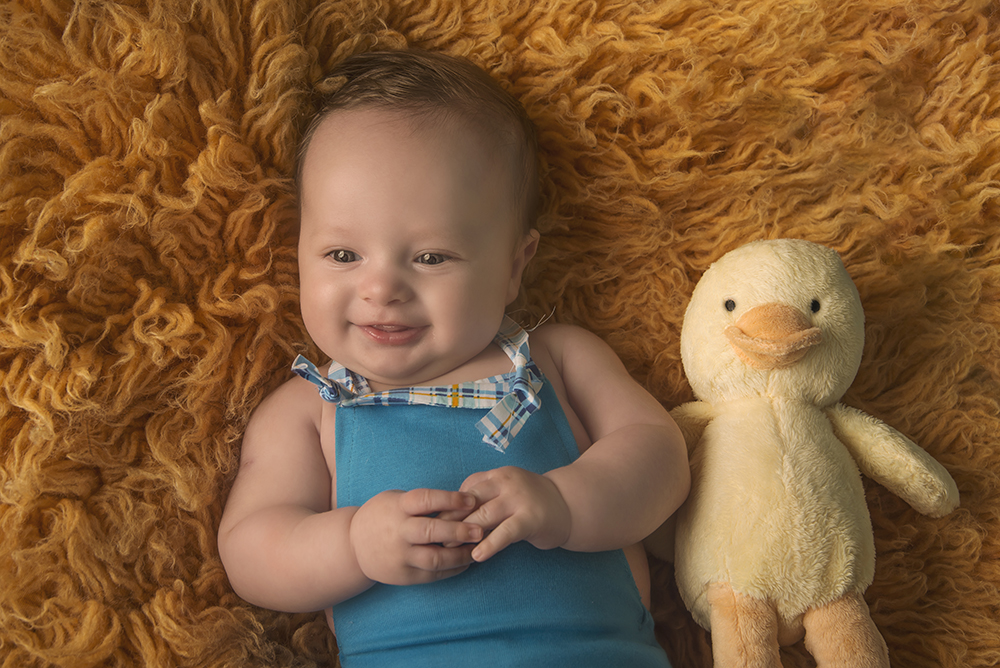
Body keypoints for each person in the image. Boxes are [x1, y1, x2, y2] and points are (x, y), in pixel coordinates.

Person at [217, 49, 690, 667]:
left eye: (431, 257)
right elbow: (251, 550)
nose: (381, 288)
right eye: (341, 255)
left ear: (514, 266)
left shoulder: (556, 358)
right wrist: (353, 544)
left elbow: (660, 457)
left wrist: (568, 503)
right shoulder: (311, 408)